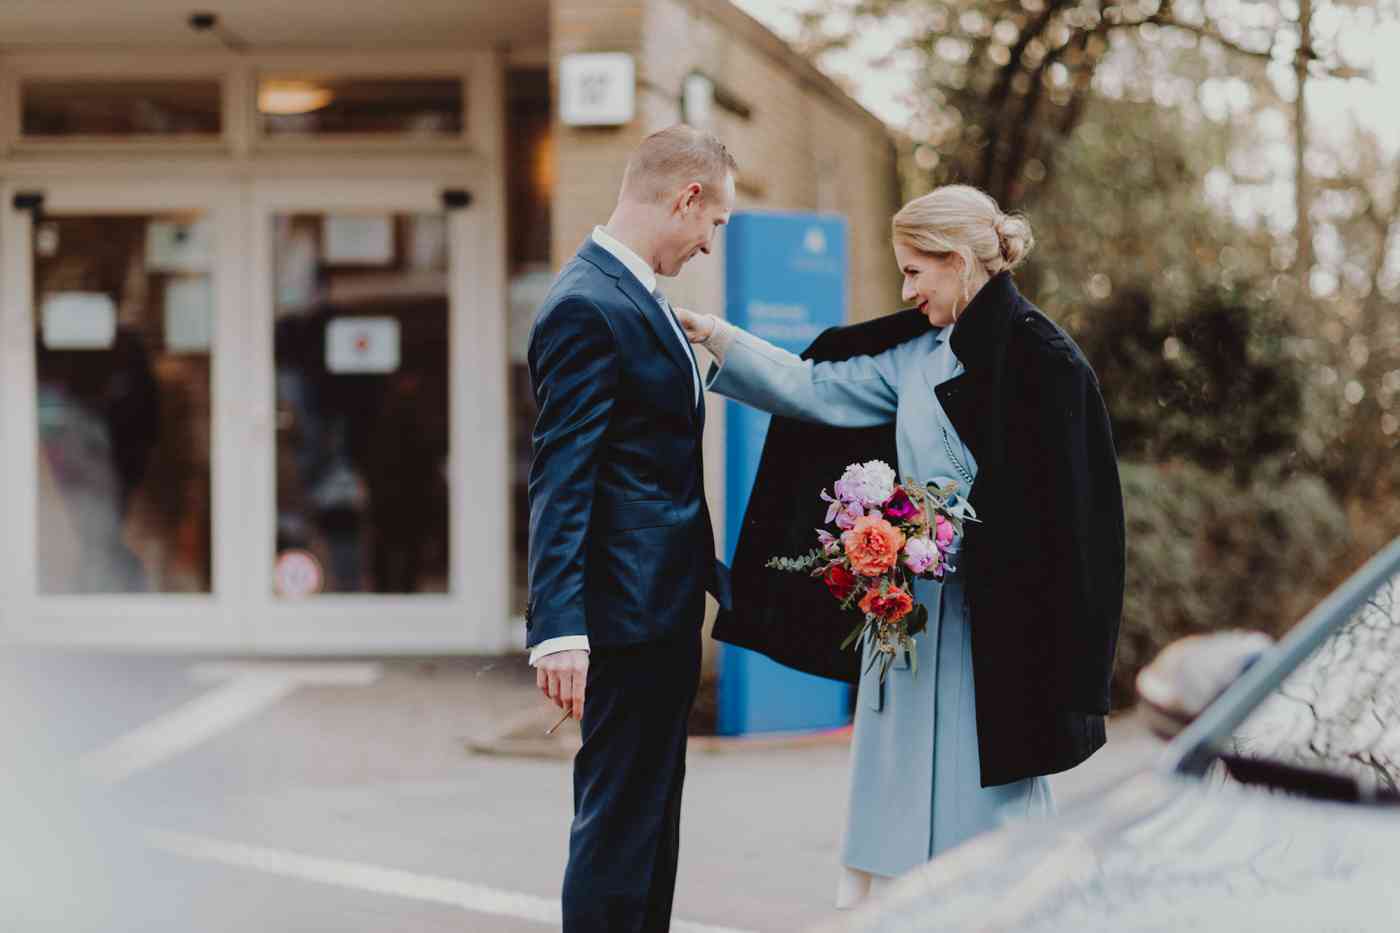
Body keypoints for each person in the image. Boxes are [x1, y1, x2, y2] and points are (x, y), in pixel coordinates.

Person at [674, 185, 1125, 906]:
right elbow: (812, 387)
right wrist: (717, 338)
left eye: (916, 271)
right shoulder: (912, 357)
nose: (906, 290)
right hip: (903, 628)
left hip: (994, 642)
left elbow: (1074, 521)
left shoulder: (1047, 362)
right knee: (895, 808)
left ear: (957, 262)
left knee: (989, 831)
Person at [525, 124, 736, 932]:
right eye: (714, 223)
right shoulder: (587, 305)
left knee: (649, 824)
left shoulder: (635, 295)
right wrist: (559, 630)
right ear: (685, 198)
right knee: (618, 827)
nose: (711, 245)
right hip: (623, 616)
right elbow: (561, 474)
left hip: (661, 607)